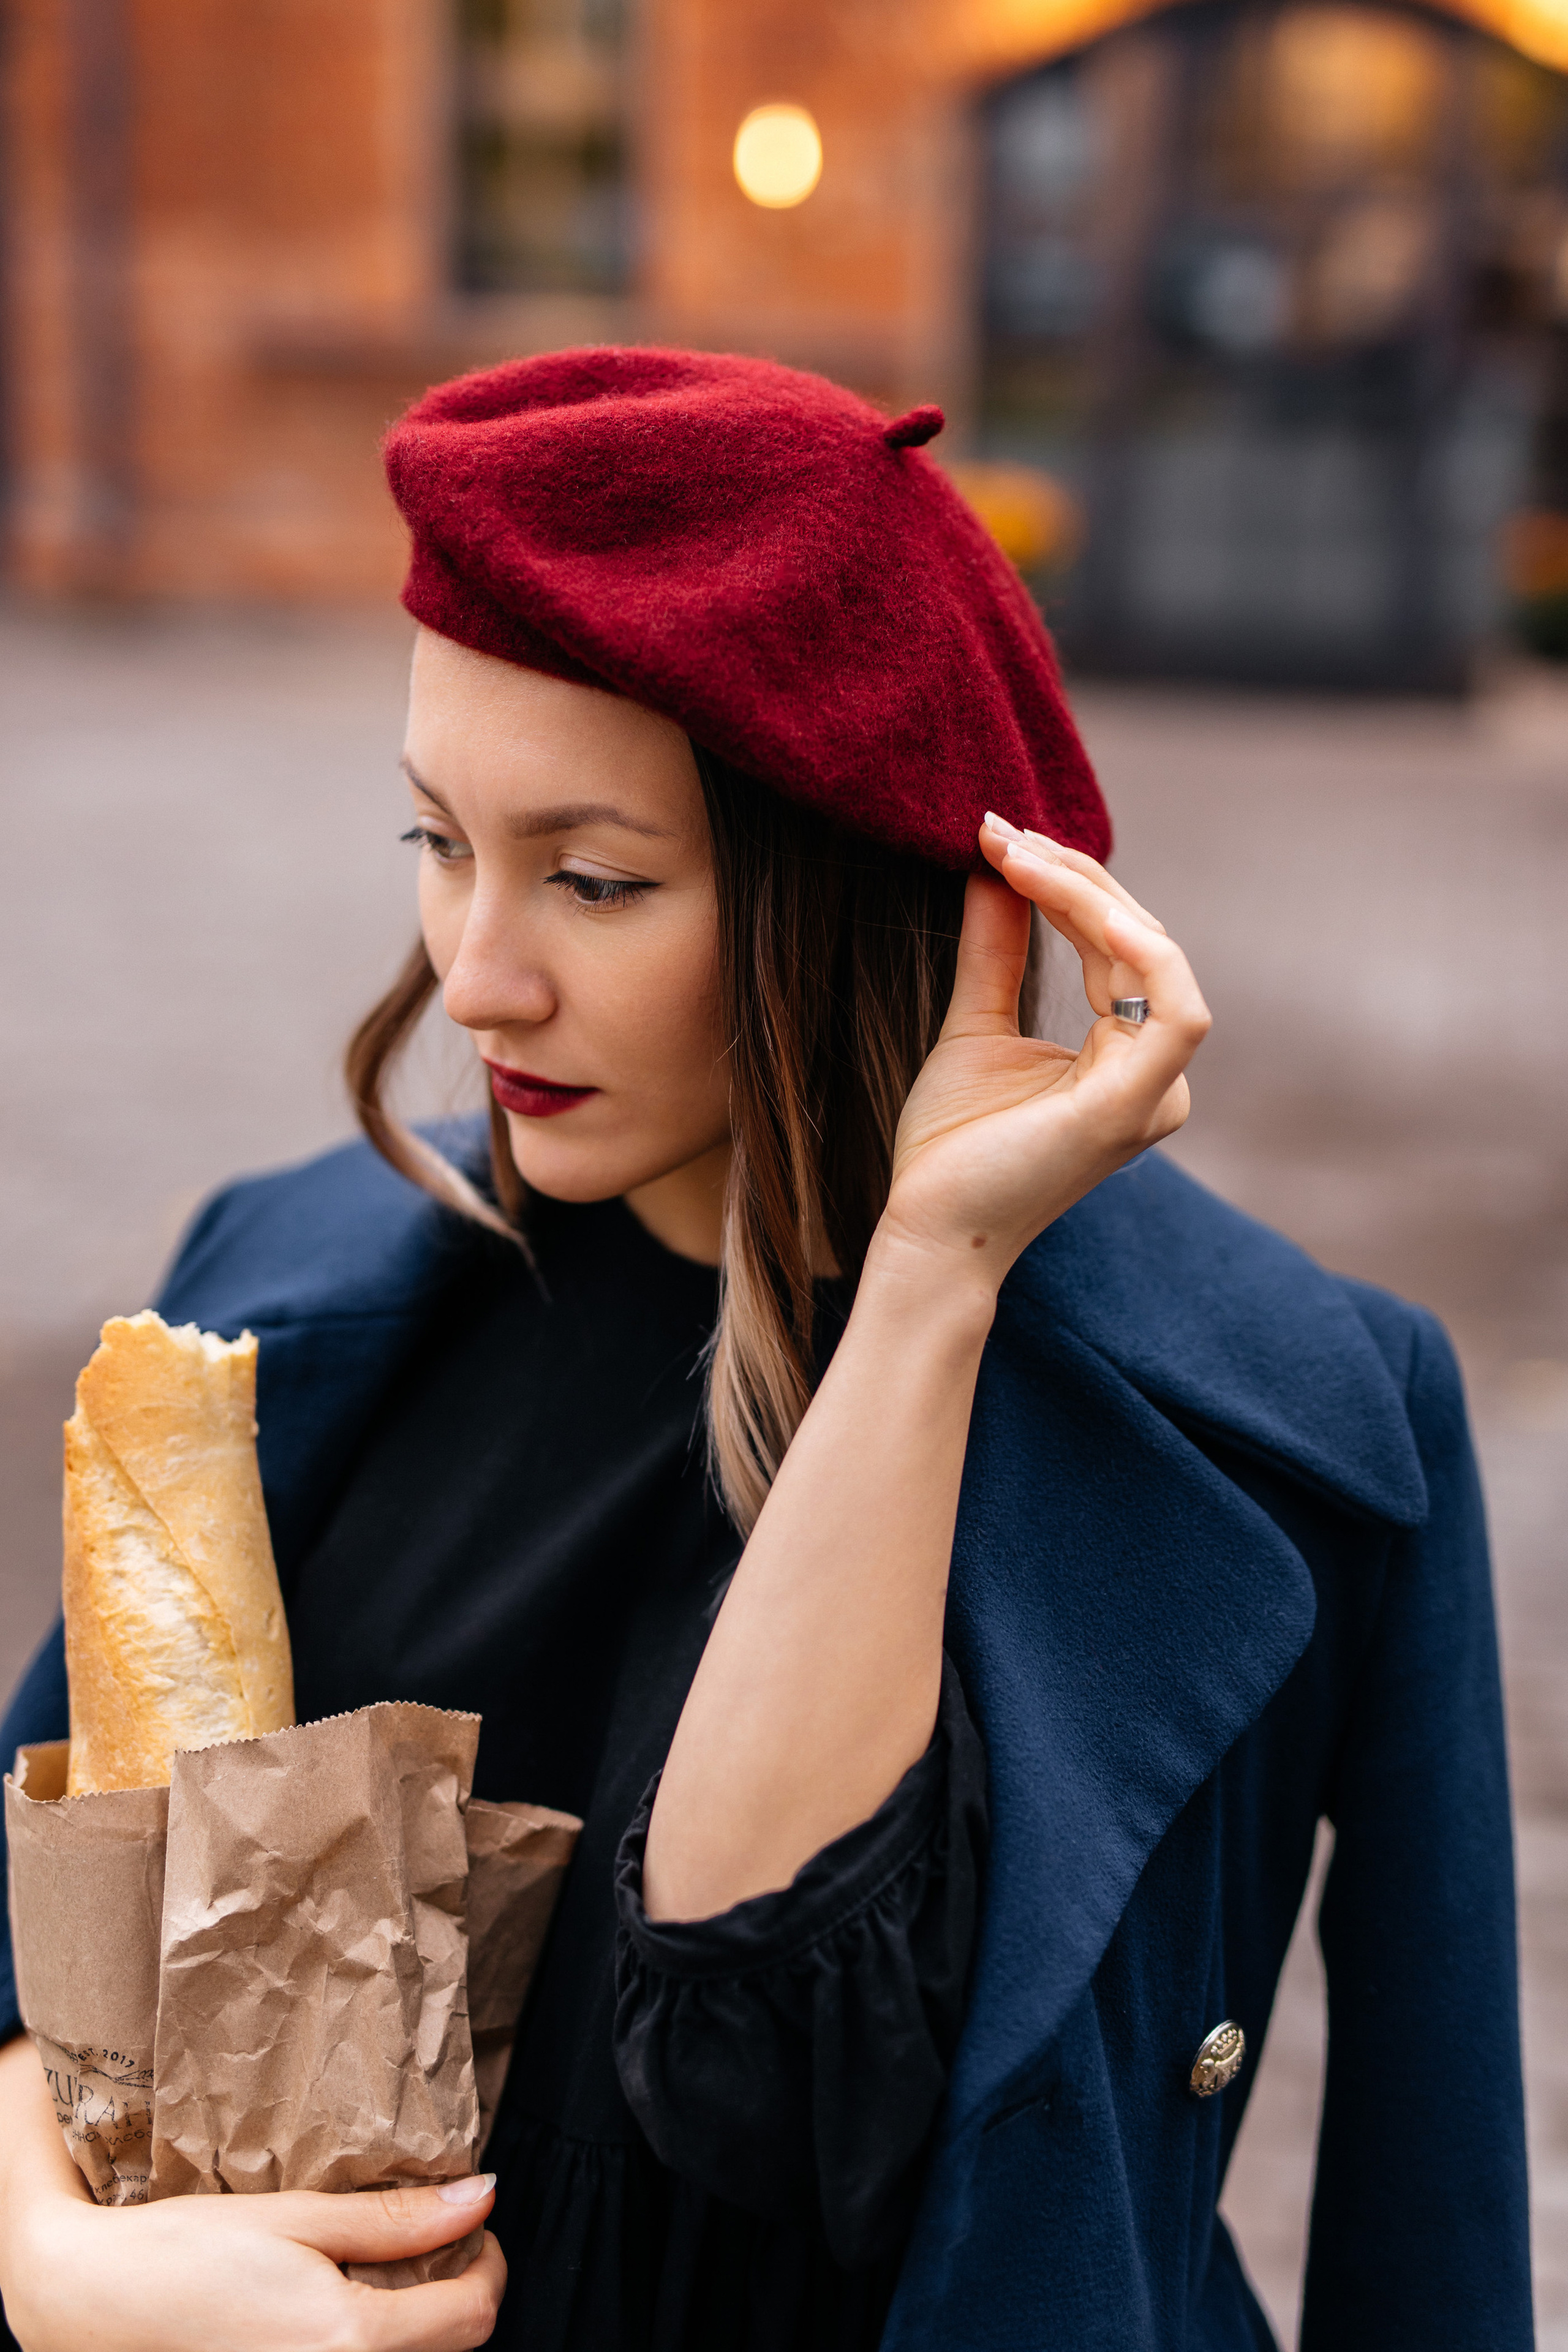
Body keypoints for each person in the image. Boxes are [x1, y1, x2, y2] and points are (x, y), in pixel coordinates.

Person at [0, 350, 1532, 2352]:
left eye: (596, 878)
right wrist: (46, 2250)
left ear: (852, 890)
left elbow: (747, 2017)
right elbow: (46, 1964)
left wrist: (925, 1278)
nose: (475, 973)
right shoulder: (299, 1296)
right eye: (437, 843)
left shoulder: (1307, 1415)